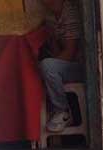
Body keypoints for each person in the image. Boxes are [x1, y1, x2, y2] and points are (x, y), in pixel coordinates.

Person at [39, 0, 84, 133]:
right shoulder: (52, 15)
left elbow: (70, 53)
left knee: (47, 66)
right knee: (44, 64)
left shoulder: (70, 13)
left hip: (81, 67)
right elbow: (56, 51)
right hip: (67, 64)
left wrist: (46, 68)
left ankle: (62, 111)